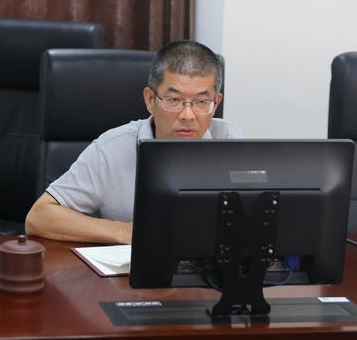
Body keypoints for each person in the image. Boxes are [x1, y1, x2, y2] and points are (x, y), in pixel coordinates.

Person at [25, 40, 244, 243]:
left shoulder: (235, 145)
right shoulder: (112, 149)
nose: (188, 115)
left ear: (216, 103)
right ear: (150, 100)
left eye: (201, 102)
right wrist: (125, 231)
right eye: (174, 100)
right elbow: (39, 217)